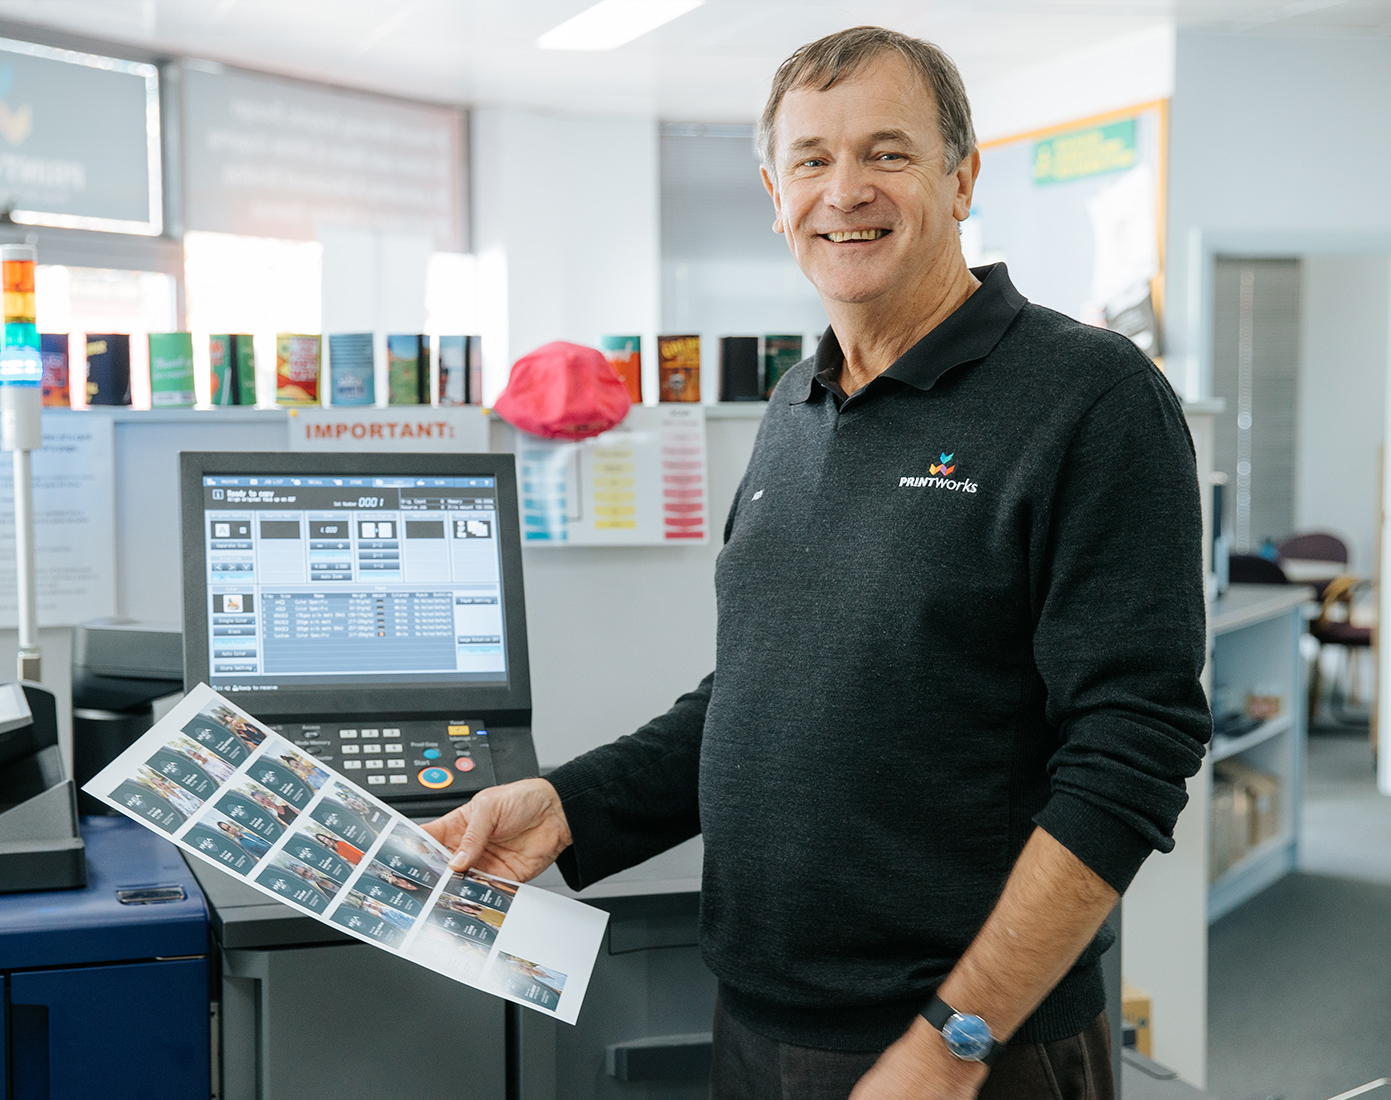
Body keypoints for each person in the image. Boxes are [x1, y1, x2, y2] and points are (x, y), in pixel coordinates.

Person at [423, 25, 1209, 1100]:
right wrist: (565, 805)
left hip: (969, 1048)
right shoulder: (799, 401)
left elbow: (1131, 753)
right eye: (811, 159)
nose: (844, 191)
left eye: (887, 152)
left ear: (961, 178)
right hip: (760, 1019)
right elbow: (754, 691)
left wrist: (954, 1040)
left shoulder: (1090, 396)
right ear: (774, 192)